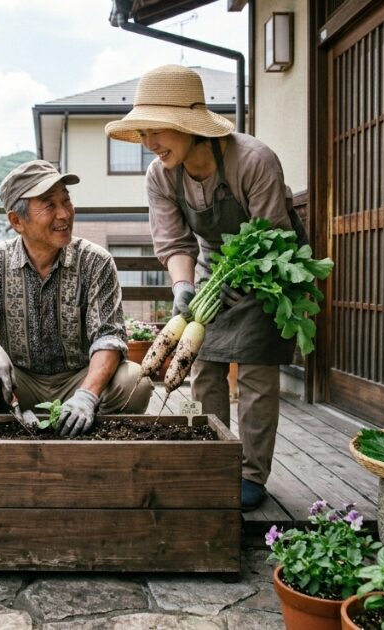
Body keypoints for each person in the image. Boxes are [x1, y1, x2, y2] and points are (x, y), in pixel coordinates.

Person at [105, 64, 297, 511]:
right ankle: (212, 455)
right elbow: (174, 241)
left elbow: (270, 238)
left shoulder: (253, 160)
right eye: (145, 132)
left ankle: (250, 473)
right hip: (213, 262)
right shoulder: (160, 175)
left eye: (160, 129)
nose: (151, 143)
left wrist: (238, 284)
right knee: (204, 364)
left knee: (254, 367)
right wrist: (183, 288)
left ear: (191, 125)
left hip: (270, 263)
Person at [0, 159, 152, 435]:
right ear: (16, 220)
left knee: (134, 382)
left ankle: (88, 426)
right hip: (18, 381)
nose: (64, 214)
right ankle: (9, 424)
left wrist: (87, 395)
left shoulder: (95, 261)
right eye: (49, 204)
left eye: (66, 201)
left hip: (80, 378)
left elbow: (109, 337)